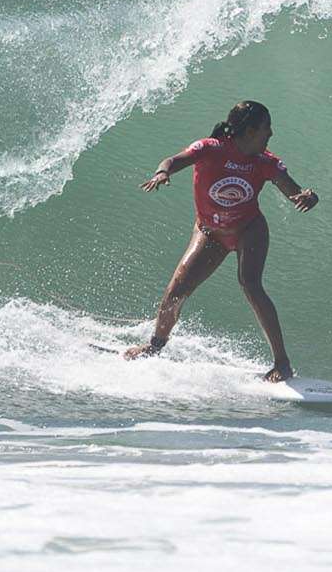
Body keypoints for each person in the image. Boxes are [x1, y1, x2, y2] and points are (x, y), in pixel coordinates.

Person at [125, 100, 318, 381]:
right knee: (175, 291)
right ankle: (154, 347)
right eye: (267, 128)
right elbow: (173, 161)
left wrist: (307, 197)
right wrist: (162, 172)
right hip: (209, 233)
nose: (271, 134)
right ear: (250, 131)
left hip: (248, 230)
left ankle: (282, 363)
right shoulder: (210, 149)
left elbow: (293, 191)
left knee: (250, 284)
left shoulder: (265, 162)